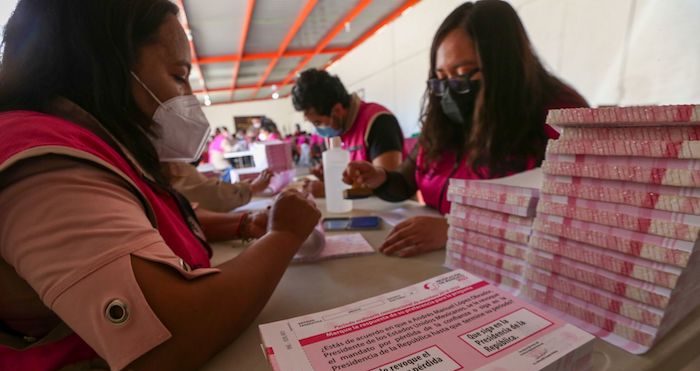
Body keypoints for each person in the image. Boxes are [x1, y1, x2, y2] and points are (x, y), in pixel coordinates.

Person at [0, 1, 321, 370]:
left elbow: (148, 224)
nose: (188, 99)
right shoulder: (44, 160)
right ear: (109, 66)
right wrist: (284, 235)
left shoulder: (101, 148)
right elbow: (166, 335)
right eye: (178, 76)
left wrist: (244, 224)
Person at [343, 0, 588, 257]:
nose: (450, 88)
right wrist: (380, 177)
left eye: (464, 73)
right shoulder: (444, 121)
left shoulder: (560, 115)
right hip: (442, 265)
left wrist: (457, 229)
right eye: (441, 77)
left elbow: (578, 219)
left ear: (505, 66)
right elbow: (407, 179)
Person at [291, 68, 405, 196]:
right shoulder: (338, 131)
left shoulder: (378, 122)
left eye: (318, 123)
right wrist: (329, 179)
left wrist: (331, 191)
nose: (318, 129)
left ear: (337, 110)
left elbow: (390, 186)